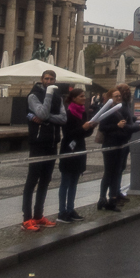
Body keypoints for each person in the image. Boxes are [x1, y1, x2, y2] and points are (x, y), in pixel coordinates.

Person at [22, 70, 67, 230]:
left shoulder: (58, 96)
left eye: (52, 79)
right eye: (46, 79)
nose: (49, 81)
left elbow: (63, 118)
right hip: (38, 142)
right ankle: (27, 218)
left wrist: (46, 119)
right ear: (42, 80)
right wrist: (48, 96)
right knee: (32, 181)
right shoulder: (33, 96)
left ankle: (38, 215)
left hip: (52, 142)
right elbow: (41, 112)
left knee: (45, 181)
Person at [57, 88, 95, 223]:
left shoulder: (83, 113)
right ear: (73, 98)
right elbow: (68, 134)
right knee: (65, 182)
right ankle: (62, 212)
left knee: (74, 182)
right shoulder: (68, 113)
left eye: (84, 96)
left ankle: (70, 209)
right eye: (81, 96)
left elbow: (84, 135)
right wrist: (83, 128)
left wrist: (91, 128)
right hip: (68, 150)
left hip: (79, 149)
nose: (84, 98)